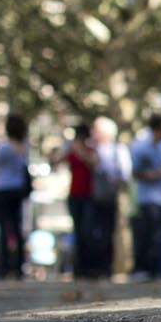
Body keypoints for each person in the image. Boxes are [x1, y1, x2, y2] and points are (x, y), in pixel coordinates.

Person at [129, 112, 161, 280]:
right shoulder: (140, 145)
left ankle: (159, 270)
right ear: (158, 129)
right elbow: (135, 172)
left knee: (159, 235)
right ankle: (142, 269)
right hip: (145, 197)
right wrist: (151, 175)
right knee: (145, 235)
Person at [50, 120, 98, 278]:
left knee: (88, 231)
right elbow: (55, 160)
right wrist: (67, 148)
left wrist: (80, 151)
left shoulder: (91, 149)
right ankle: (78, 268)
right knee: (77, 231)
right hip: (74, 194)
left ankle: (89, 266)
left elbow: (94, 163)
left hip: (89, 195)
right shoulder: (70, 149)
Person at [0, 114, 31, 280]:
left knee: (4, 228)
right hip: (17, 189)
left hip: (3, 188)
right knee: (17, 227)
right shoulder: (24, 147)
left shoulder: (4, 147)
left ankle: (4, 266)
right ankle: (18, 266)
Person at [88, 118, 127, 277]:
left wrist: (112, 180)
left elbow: (125, 176)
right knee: (92, 232)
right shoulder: (91, 148)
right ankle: (94, 267)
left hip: (108, 197)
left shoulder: (118, 150)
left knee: (107, 232)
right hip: (90, 197)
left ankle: (106, 268)